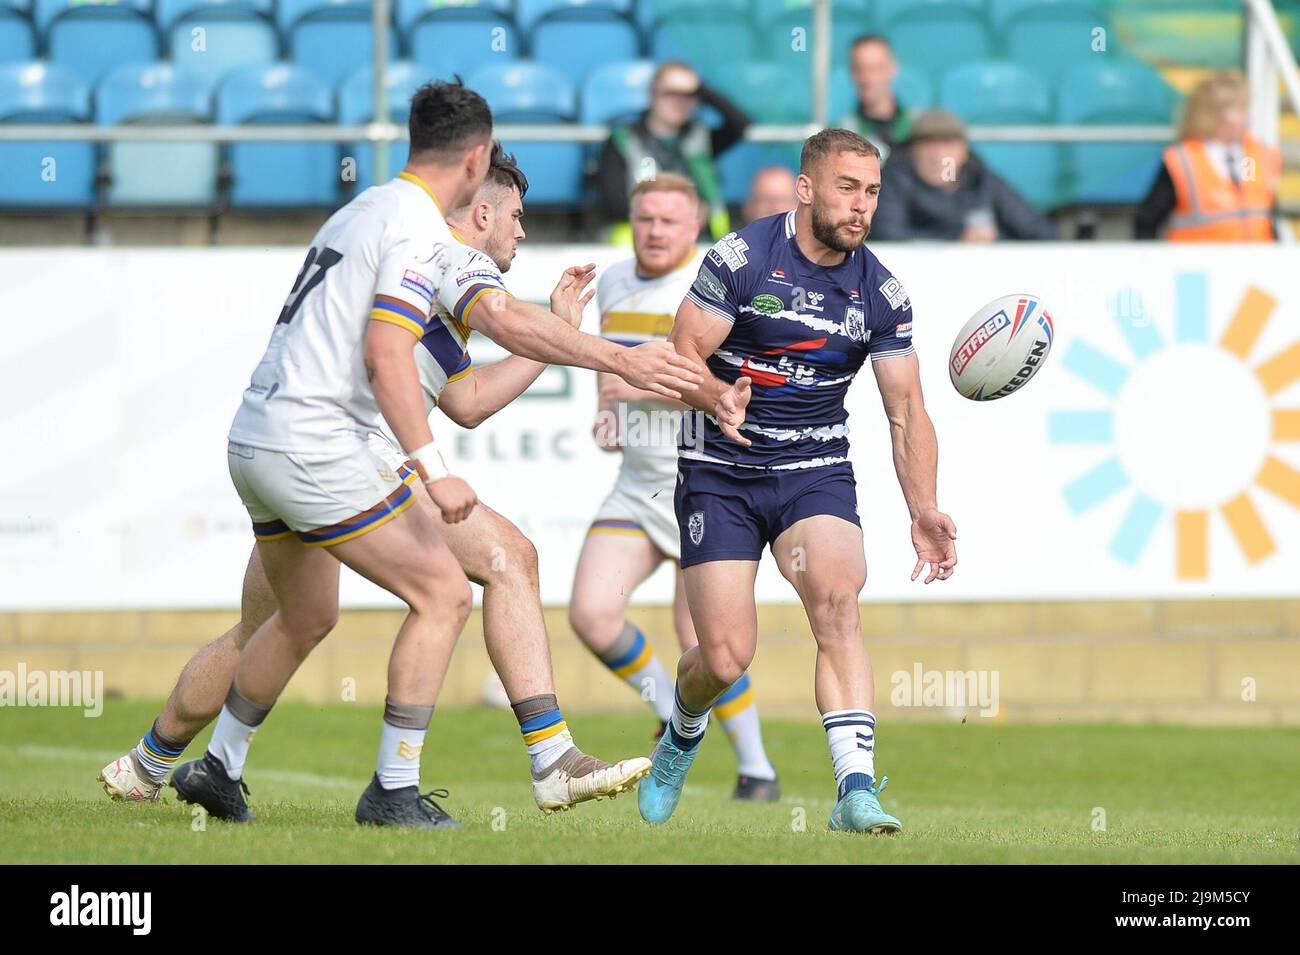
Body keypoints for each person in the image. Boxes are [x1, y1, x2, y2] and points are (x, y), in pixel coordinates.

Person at [111, 82, 700, 829]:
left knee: (292, 618)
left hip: (260, 436)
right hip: (326, 442)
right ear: (477, 176)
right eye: (517, 216)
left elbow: (469, 398)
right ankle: (427, 782)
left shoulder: (364, 211)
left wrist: (556, 337)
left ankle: (180, 764)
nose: (520, 233)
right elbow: (457, 334)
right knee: (457, 585)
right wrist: (616, 359)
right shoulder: (439, 245)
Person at [639, 128, 959, 834]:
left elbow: (906, 410)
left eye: (872, 191)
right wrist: (712, 396)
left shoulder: (881, 291)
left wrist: (924, 506)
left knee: (838, 597)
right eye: (848, 188)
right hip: (720, 470)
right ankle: (682, 732)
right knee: (723, 656)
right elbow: (682, 352)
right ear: (807, 188)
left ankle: (854, 789)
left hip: (813, 470)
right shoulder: (744, 258)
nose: (862, 206)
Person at [568, 173, 779, 803]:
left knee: (706, 645)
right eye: (644, 218)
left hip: (700, 479)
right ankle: (669, 710)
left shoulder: (713, 287)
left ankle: (757, 769)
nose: (654, 230)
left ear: (696, 227)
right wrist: (607, 410)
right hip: (637, 483)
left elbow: (707, 381)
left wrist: (631, 386)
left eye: (668, 220)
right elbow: (610, 371)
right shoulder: (613, 281)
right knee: (591, 614)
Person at [597, 61, 751, 242]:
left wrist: (701, 89)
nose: (680, 102)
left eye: (688, 95)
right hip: (642, 244)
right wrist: (678, 214)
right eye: (671, 93)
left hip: (701, 243)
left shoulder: (700, 137)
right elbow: (613, 203)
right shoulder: (622, 139)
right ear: (653, 93)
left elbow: (741, 124)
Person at [1136, 70, 1280, 241]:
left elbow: (1260, 210)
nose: (1247, 119)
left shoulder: (1254, 156)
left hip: (1255, 264)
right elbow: (1147, 222)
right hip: (1199, 264)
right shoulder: (1184, 160)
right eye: (1239, 110)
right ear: (1213, 115)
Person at [871, 110, 1056, 242]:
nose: (938, 155)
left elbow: (1035, 228)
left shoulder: (980, 179)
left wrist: (997, 239)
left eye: (947, 144)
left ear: (964, 150)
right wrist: (957, 240)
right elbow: (887, 236)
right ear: (912, 151)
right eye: (928, 145)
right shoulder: (894, 181)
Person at [837, 35, 917, 166]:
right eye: (860, 70)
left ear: (893, 68)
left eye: (876, 69)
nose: (868, 79)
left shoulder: (919, 126)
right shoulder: (841, 136)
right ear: (851, 73)